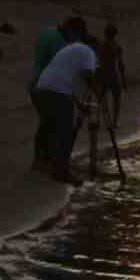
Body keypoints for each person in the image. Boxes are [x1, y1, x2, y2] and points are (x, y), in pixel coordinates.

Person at [30, 17, 97, 183]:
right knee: (65, 132)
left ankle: (40, 163)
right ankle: (61, 172)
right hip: (55, 91)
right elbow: (89, 77)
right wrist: (99, 94)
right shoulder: (88, 52)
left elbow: (65, 82)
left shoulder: (70, 49)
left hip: (42, 87)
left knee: (47, 124)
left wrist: (79, 103)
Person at [95, 22, 128, 126]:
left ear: (105, 33)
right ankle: (114, 122)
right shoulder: (117, 47)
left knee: (99, 99)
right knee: (116, 100)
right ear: (115, 34)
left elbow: (97, 61)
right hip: (113, 75)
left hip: (102, 75)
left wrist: (95, 76)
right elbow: (121, 65)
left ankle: (97, 120)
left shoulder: (101, 45)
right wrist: (124, 80)